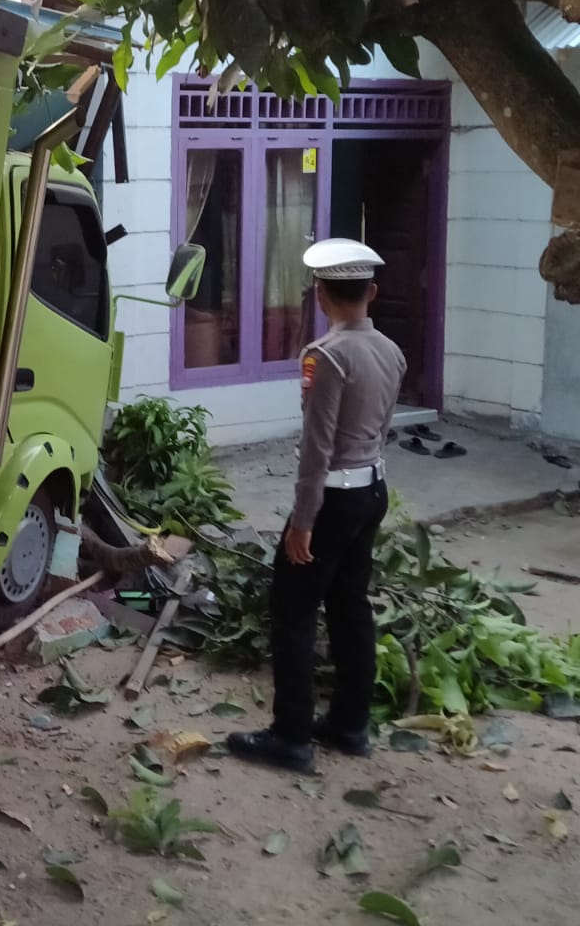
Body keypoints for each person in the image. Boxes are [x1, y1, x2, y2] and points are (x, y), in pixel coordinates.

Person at [226, 239, 407, 773]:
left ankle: (292, 736)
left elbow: (317, 447)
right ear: (371, 292)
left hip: (333, 498)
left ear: (321, 296)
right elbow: (382, 431)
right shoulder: (391, 351)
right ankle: (351, 725)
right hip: (373, 490)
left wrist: (302, 521)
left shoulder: (324, 356)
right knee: (351, 606)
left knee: (294, 612)